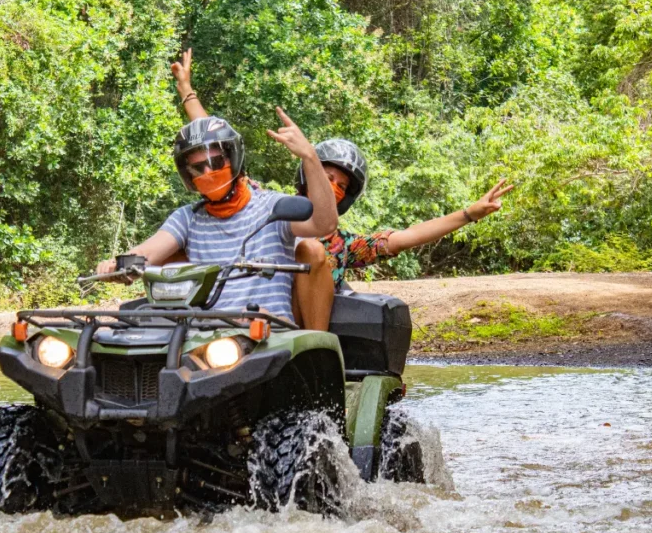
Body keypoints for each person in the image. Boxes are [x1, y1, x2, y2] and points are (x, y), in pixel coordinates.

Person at [170, 48, 515, 331]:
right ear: (308, 175)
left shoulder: (343, 245)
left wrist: (469, 213)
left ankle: (313, 352)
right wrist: (187, 90)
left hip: (296, 331)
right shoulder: (269, 211)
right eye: (326, 177)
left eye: (340, 185)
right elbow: (215, 152)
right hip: (244, 321)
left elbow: (408, 236)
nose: (332, 187)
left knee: (310, 251)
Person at [95, 109, 338, 325]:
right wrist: (118, 266)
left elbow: (324, 223)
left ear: (233, 159)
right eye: (198, 168)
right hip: (211, 337)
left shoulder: (272, 208)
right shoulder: (188, 218)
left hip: (269, 332)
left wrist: (309, 157)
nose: (208, 172)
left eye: (216, 161)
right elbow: (148, 253)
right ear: (188, 175)